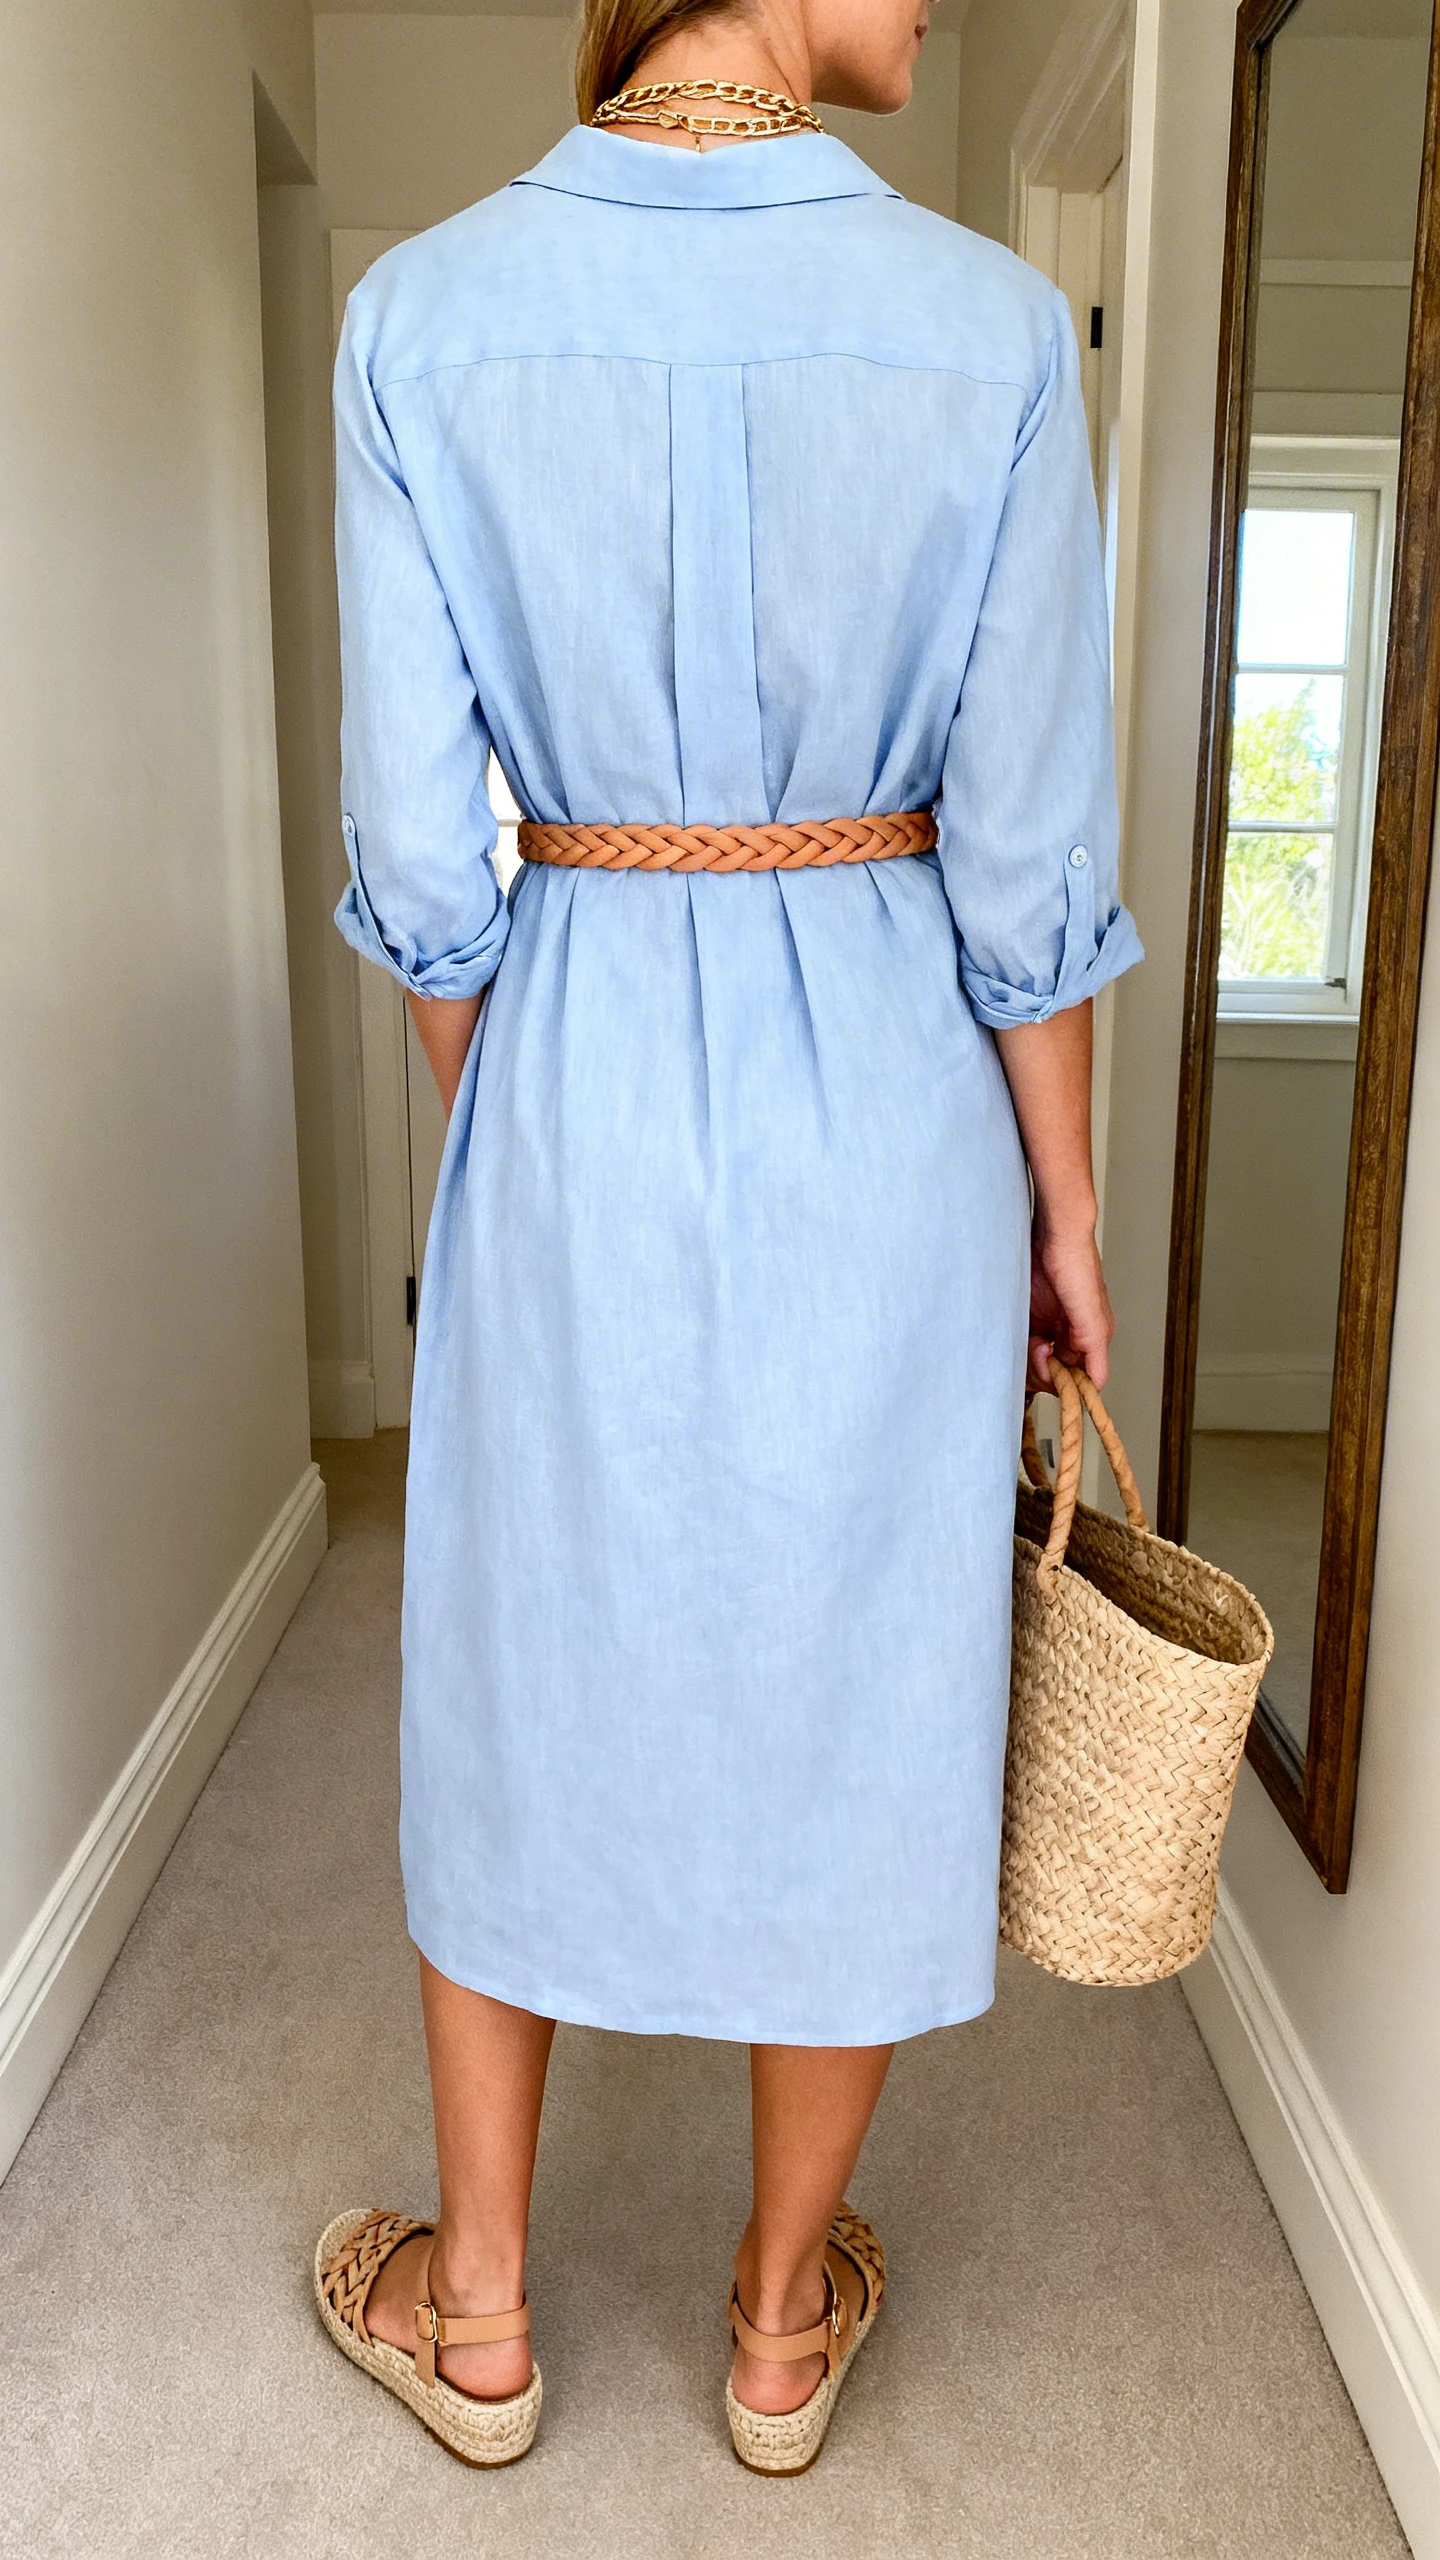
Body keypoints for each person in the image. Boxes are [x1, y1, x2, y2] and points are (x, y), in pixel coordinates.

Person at [313, 0, 1142, 2477]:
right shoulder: (990, 330)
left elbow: (425, 872)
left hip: (560, 1068)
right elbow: (1025, 860)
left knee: (506, 1649)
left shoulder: (421, 315)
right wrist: (1066, 1210)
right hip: (894, 1104)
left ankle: (479, 2315)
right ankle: (780, 2328)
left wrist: (529, 1137)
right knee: (866, 1667)